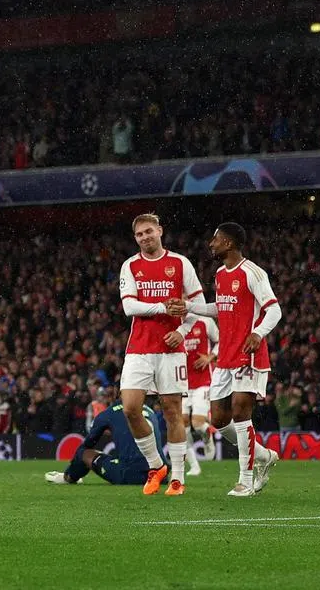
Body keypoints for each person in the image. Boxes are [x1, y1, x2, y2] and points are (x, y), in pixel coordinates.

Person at [169, 222, 282, 497]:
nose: (211, 243)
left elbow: (274, 309)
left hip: (249, 355)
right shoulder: (220, 274)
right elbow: (220, 308)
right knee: (219, 419)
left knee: (242, 412)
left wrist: (257, 333)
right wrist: (190, 306)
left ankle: (245, 480)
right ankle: (264, 455)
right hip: (226, 358)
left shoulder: (252, 273)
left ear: (229, 243)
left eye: (216, 239)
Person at [117, 213, 202, 496]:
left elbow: (198, 305)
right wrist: (164, 307)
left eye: (149, 231)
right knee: (130, 407)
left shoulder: (180, 263)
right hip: (139, 348)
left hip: (171, 350)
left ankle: (177, 478)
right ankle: (156, 465)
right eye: (140, 234)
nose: (145, 237)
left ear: (160, 231)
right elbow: (129, 307)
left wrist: (183, 332)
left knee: (172, 412)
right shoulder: (130, 266)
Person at [45, 399, 168, 486]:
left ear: (116, 393)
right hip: (160, 474)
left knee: (84, 453)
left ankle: (69, 477)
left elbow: (88, 443)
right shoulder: (150, 411)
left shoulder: (110, 412)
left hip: (132, 474)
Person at [181, 315, 219, 477]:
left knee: (197, 423)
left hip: (203, 382)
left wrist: (210, 357)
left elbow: (221, 340)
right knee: (181, 426)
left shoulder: (204, 321)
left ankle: (206, 434)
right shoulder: (173, 323)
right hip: (181, 383)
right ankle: (194, 466)